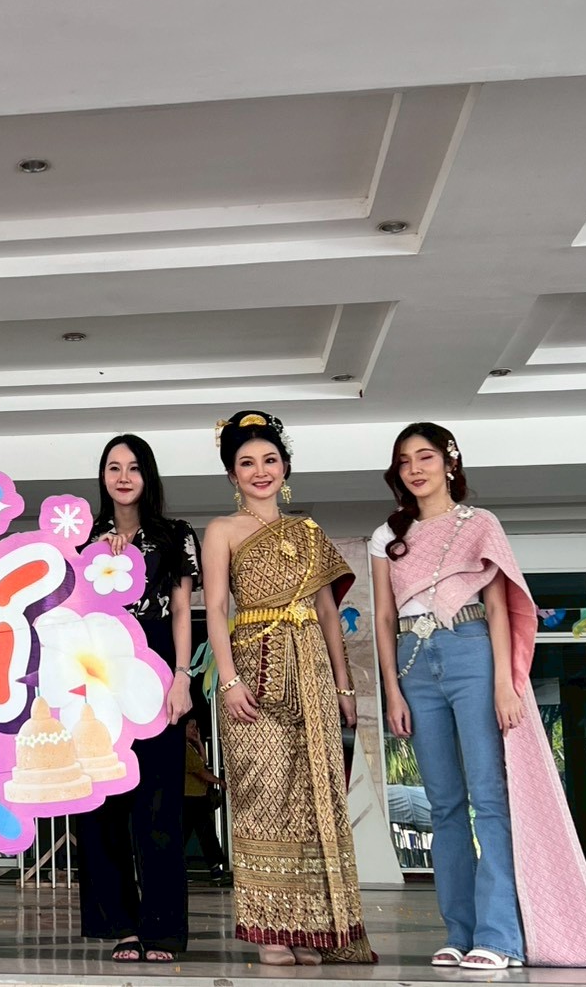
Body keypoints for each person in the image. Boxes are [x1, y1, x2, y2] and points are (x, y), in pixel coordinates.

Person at [370, 423, 586, 969]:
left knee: (489, 797)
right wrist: (392, 691)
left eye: (425, 456)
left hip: (471, 652)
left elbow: (500, 607)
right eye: (404, 460)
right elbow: (384, 617)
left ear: (450, 462)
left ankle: (499, 936)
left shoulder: (480, 523)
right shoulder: (387, 535)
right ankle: (458, 932)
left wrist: (504, 684)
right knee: (443, 804)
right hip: (414, 661)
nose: (415, 468)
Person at [201, 410, 372, 966]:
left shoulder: (309, 532)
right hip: (251, 671)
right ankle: (270, 928)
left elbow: (327, 613)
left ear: (285, 467)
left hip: (312, 672)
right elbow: (216, 608)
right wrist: (228, 680)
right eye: (247, 462)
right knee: (262, 797)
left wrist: (344, 686)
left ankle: (310, 927)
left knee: (312, 798)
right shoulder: (222, 531)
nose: (260, 471)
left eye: (269, 459)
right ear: (232, 474)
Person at [76, 433, 198, 963]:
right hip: (96, 671)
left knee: (159, 803)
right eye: (113, 467)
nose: (123, 477)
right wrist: (96, 558)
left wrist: (181, 677)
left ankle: (163, 928)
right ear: (103, 477)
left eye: (133, 467)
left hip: (155, 667)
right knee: (101, 805)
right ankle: (120, 925)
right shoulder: (84, 538)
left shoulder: (175, 535)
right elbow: (70, 609)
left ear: (148, 476)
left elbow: (182, 610)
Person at [181, 717, 227, 880]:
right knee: (201, 832)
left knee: (202, 832)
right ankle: (214, 868)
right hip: (190, 798)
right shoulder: (183, 749)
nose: (194, 730)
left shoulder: (189, 746)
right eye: (191, 727)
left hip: (196, 797)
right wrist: (219, 781)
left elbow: (203, 761)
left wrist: (199, 741)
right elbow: (200, 770)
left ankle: (215, 868)